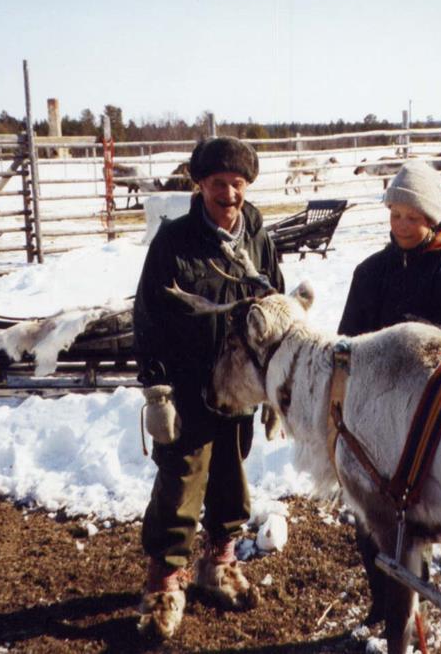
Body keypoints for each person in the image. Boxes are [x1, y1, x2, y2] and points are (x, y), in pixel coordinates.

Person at [133, 136, 284, 640]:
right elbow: (148, 319)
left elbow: (276, 310)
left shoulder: (258, 237)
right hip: (188, 384)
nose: (230, 194)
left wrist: (276, 385)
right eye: (219, 183)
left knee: (230, 476)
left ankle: (218, 563)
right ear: (200, 185)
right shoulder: (173, 243)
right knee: (181, 481)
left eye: (237, 184)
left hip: (239, 384)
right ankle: (162, 584)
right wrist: (157, 390)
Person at [337, 159, 441, 627]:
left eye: (412, 217)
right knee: (374, 517)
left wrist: (417, 336)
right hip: (378, 415)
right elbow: (348, 341)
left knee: (433, 515)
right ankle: (385, 603)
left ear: (430, 220)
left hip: (430, 418)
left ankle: (440, 597)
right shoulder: (370, 272)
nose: (401, 225)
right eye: (395, 214)